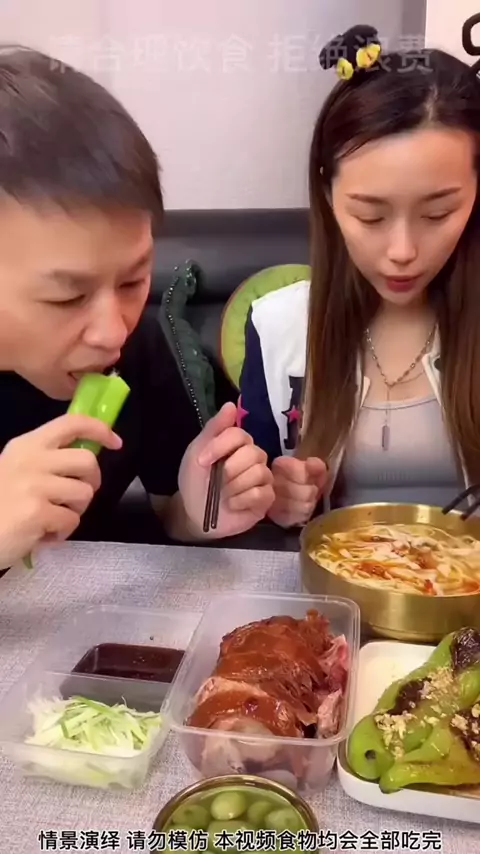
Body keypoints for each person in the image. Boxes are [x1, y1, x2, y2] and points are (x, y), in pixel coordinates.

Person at [0, 46, 275, 571]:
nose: (112, 331)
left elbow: (170, 511)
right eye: (68, 297)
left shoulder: (141, 347)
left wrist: (201, 509)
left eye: (133, 280)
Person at [239, 22, 480, 529]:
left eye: (437, 214)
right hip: (335, 575)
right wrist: (273, 499)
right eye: (370, 216)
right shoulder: (279, 327)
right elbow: (249, 498)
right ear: (328, 196)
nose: (402, 252)